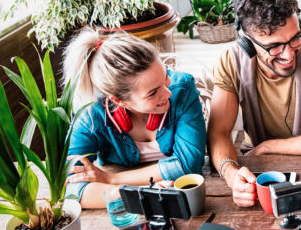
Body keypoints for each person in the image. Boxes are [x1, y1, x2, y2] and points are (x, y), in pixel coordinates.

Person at [207, 0, 301, 207]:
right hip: (258, 169)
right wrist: (231, 174)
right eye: (273, 47)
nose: (289, 53)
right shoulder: (231, 61)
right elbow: (218, 133)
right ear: (248, 43)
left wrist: (268, 146)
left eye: (295, 37)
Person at [63, 28, 206, 208]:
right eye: (153, 92)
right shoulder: (89, 116)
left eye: (165, 78)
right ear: (119, 101)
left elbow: (188, 166)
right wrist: (135, 194)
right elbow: (71, 188)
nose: (168, 93)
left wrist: (110, 178)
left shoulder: (183, 88)